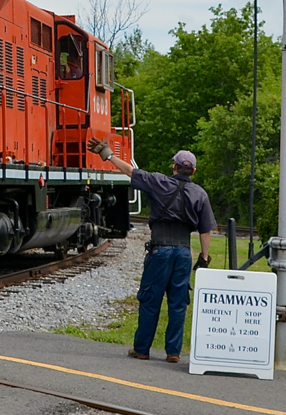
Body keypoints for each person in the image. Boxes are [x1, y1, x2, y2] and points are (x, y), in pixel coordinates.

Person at [87, 137, 216, 364]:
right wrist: (204, 258)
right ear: (193, 171)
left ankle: (142, 349)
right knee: (178, 303)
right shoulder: (200, 194)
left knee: (150, 299)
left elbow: (130, 171)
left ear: (174, 167)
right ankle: (173, 352)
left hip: (160, 251)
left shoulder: (159, 182)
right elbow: (206, 231)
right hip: (184, 253)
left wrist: (107, 154)